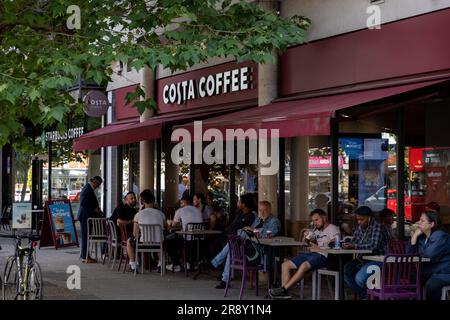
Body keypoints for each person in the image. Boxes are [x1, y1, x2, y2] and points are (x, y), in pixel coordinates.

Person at [269, 209, 340, 299]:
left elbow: (335, 244)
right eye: (313, 221)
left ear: (324, 217)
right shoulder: (317, 230)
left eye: (317, 220)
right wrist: (307, 238)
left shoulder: (332, 228)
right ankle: (284, 294)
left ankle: (283, 290)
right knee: (285, 265)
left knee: (304, 265)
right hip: (312, 254)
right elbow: (310, 244)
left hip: (324, 256)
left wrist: (319, 248)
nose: (315, 223)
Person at [212, 201, 280, 289]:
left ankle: (219, 266)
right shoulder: (258, 219)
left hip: (260, 254)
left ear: (270, 210)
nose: (262, 213)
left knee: (239, 236)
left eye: (265, 210)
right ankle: (225, 280)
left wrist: (253, 230)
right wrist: (249, 230)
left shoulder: (274, 221)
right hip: (250, 250)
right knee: (233, 247)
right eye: (260, 210)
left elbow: (272, 232)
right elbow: (251, 232)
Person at [343, 206, 388, 299]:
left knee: (360, 279)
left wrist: (354, 245)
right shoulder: (359, 228)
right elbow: (355, 241)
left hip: (379, 260)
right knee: (346, 270)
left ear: (369, 217)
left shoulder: (377, 227)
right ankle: (365, 295)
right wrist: (348, 245)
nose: (359, 222)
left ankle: (370, 295)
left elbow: (373, 245)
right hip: (363, 259)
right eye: (358, 219)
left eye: (362, 219)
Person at [407, 211, 450, 300]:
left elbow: (430, 255)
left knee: (431, 285)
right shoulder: (422, 238)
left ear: (432, 224)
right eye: (419, 220)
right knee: (411, 280)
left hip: (444, 273)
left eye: (422, 221)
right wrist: (414, 237)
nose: (419, 222)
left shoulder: (441, 236)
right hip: (428, 272)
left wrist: (418, 254)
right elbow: (409, 255)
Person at [127, 189, 167, 272]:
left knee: (129, 241)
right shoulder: (161, 214)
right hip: (159, 243)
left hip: (143, 243)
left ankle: (133, 265)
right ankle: (160, 264)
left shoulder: (138, 215)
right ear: (154, 201)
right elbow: (166, 228)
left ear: (142, 201)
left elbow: (135, 233)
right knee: (161, 240)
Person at [165, 194, 203, 272]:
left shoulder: (180, 210)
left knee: (167, 240)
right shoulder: (198, 210)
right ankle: (189, 262)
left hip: (187, 239)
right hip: (198, 239)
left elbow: (173, 225)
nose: (181, 205)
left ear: (185, 203)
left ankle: (176, 264)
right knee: (175, 239)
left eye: (181, 203)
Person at [77, 176, 103, 263]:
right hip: (86, 216)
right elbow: (84, 203)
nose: (98, 186)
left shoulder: (87, 188)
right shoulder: (88, 189)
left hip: (86, 216)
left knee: (86, 236)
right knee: (85, 236)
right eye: (98, 184)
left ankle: (84, 255)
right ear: (94, 181)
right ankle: (85, 257)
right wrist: (94, 209)